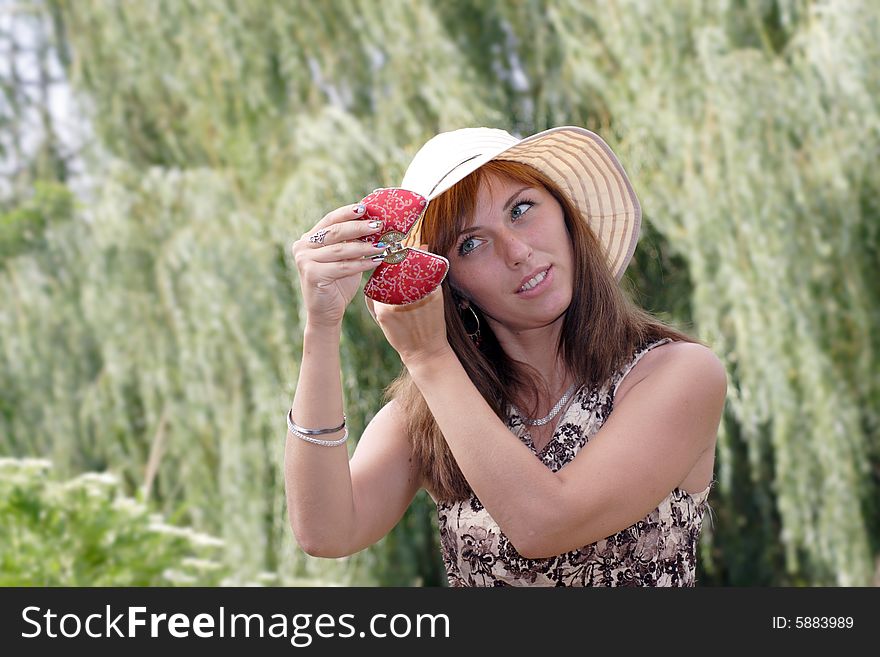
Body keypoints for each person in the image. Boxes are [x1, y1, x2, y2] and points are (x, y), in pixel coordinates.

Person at [285, 126, 726, 587]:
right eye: (471, 244)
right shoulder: (436, 407)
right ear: (448, 281)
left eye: (521, 209)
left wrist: (431, 359)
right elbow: (325, 531)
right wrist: (321, 325)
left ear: (566, 214)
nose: (517, 252)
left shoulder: (679, 373)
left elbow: (545, 525)